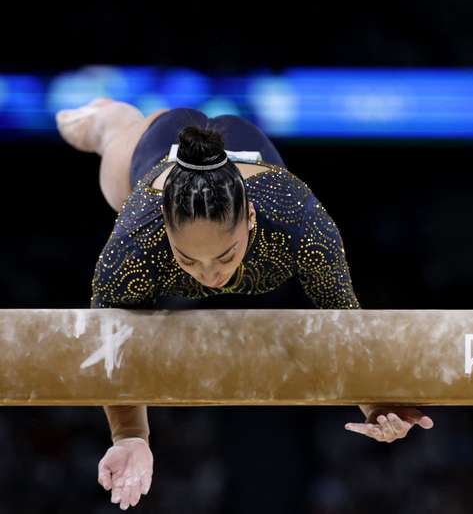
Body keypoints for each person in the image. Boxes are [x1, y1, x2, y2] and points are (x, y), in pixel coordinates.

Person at [56, 99, 435, 510]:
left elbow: (341, 321)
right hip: (161, 146)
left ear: (251, 217)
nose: (208, 274)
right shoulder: (136, 236)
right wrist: (130, 435)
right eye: (187, 259)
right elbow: (111, 342)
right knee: (108, 143)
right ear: (164, 232)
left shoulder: (298, 222)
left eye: (224, 255)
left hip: (250, 152)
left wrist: (375, 401)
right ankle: (111, 121)